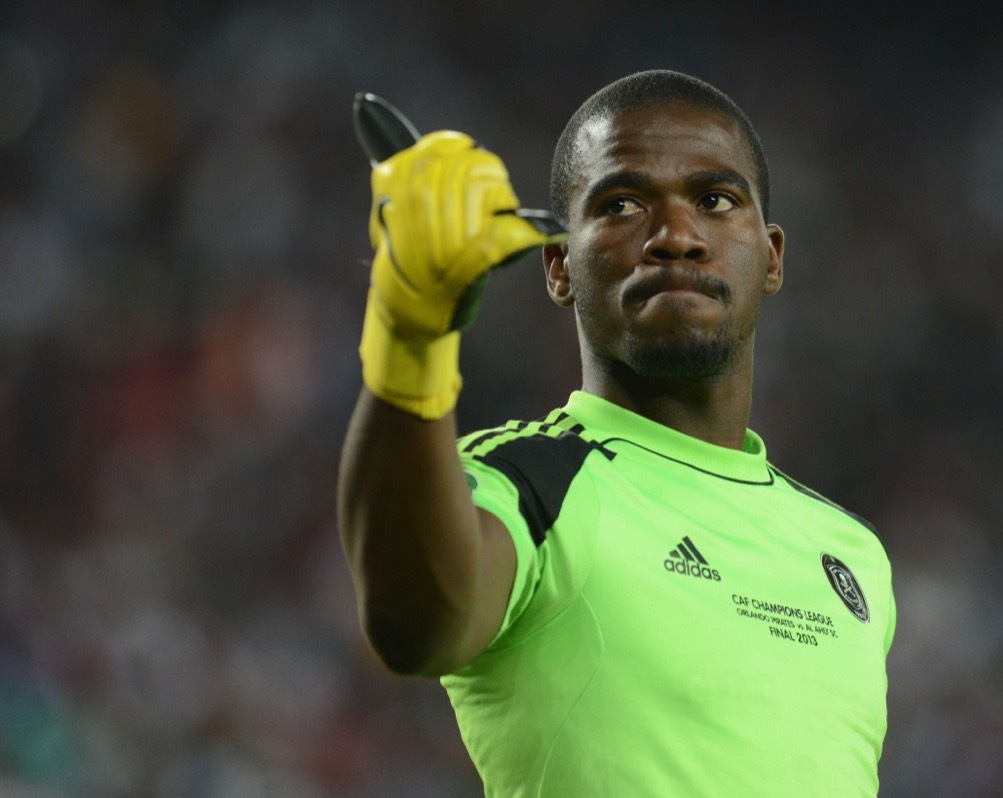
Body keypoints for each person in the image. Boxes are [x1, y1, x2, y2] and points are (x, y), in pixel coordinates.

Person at [338, 69, 895, 796]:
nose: (676, 237)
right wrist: (411, 333)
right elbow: (418, 626)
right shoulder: (530, 485)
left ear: (772, 257)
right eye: (622, 204)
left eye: (715, 200)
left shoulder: (852, 552)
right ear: (559, 266)